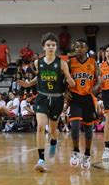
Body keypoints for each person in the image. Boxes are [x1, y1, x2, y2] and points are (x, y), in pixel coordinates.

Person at [19, 33, 75, 172]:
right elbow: (39, 77)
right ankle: (41, 160)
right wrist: (28, 84)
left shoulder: (62, 63)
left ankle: (54, 142)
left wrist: (72, 83)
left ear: (56, 47)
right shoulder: (38, 62)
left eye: (53, 45)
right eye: (48, 45)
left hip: (57, 98)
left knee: (53, 130)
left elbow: (69, 79)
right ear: (44, 47)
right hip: (42, 97)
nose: (51, 47)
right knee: (40, 127)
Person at [67, 39, 99, 170]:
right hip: (75, 98)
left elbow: (98, 80)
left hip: (88, 98)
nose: (78, 49)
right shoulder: (70, 62)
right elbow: (64, 79)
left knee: (88, 129)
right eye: (76, 47)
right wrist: (65, 92)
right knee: (74, 127)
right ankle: (75, 152)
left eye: (81, 47)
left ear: (86, 49)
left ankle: (87, 154)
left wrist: (95, 88)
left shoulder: (93, 62)